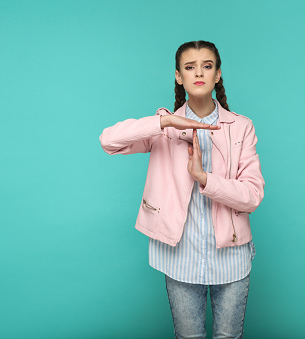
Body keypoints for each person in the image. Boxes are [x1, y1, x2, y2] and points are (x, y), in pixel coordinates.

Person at [99, 40, 265, 339]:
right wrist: (164, 121)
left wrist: (205, 179)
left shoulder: (241, 127)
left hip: (231, 257)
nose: (198, 72)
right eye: (190, 67)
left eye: (207, 66)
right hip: (179, 256)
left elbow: (252, 196)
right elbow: (108, 141)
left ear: (217, 75)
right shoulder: (163, 128)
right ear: (179, 76)